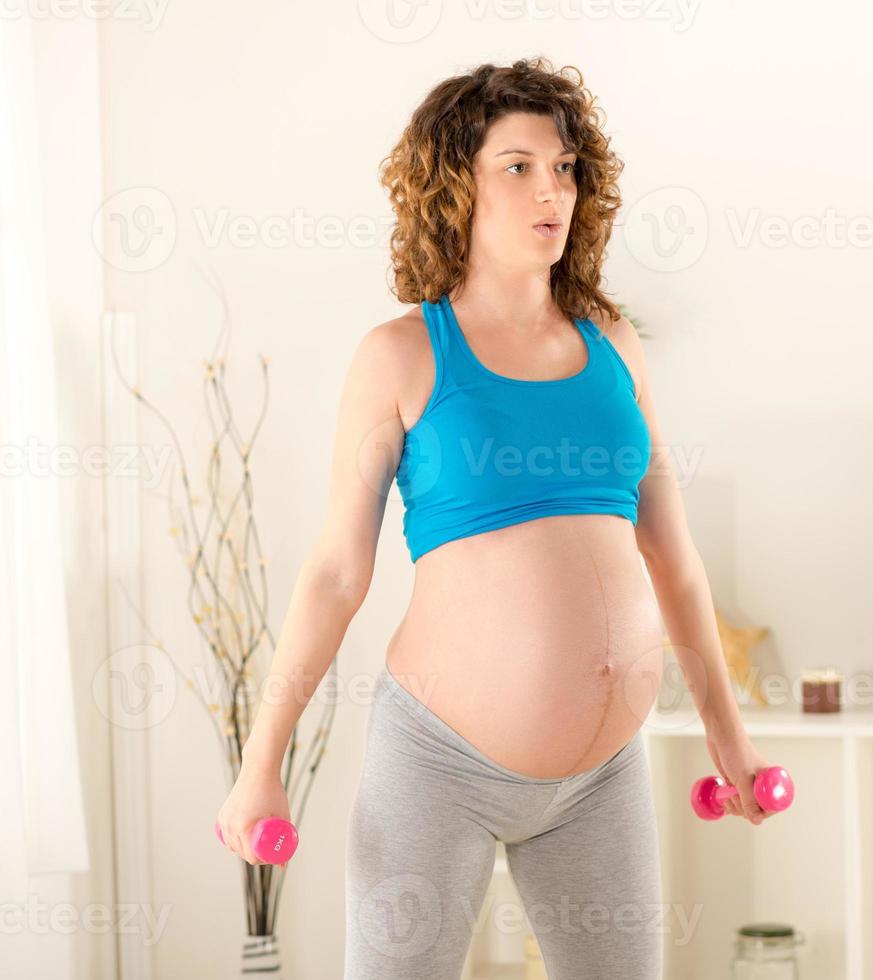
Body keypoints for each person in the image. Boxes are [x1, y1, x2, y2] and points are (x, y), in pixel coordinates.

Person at [215, 57, 771, 980]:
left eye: (563, 167)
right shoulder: (400, 355)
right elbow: (335, 573)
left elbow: (672, 558)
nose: (550, 188)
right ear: (454, 186)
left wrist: (730, 733)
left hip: (603, 777)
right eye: (517, 166)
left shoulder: (613, 345)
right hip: (438, 765)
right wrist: (259, 758)